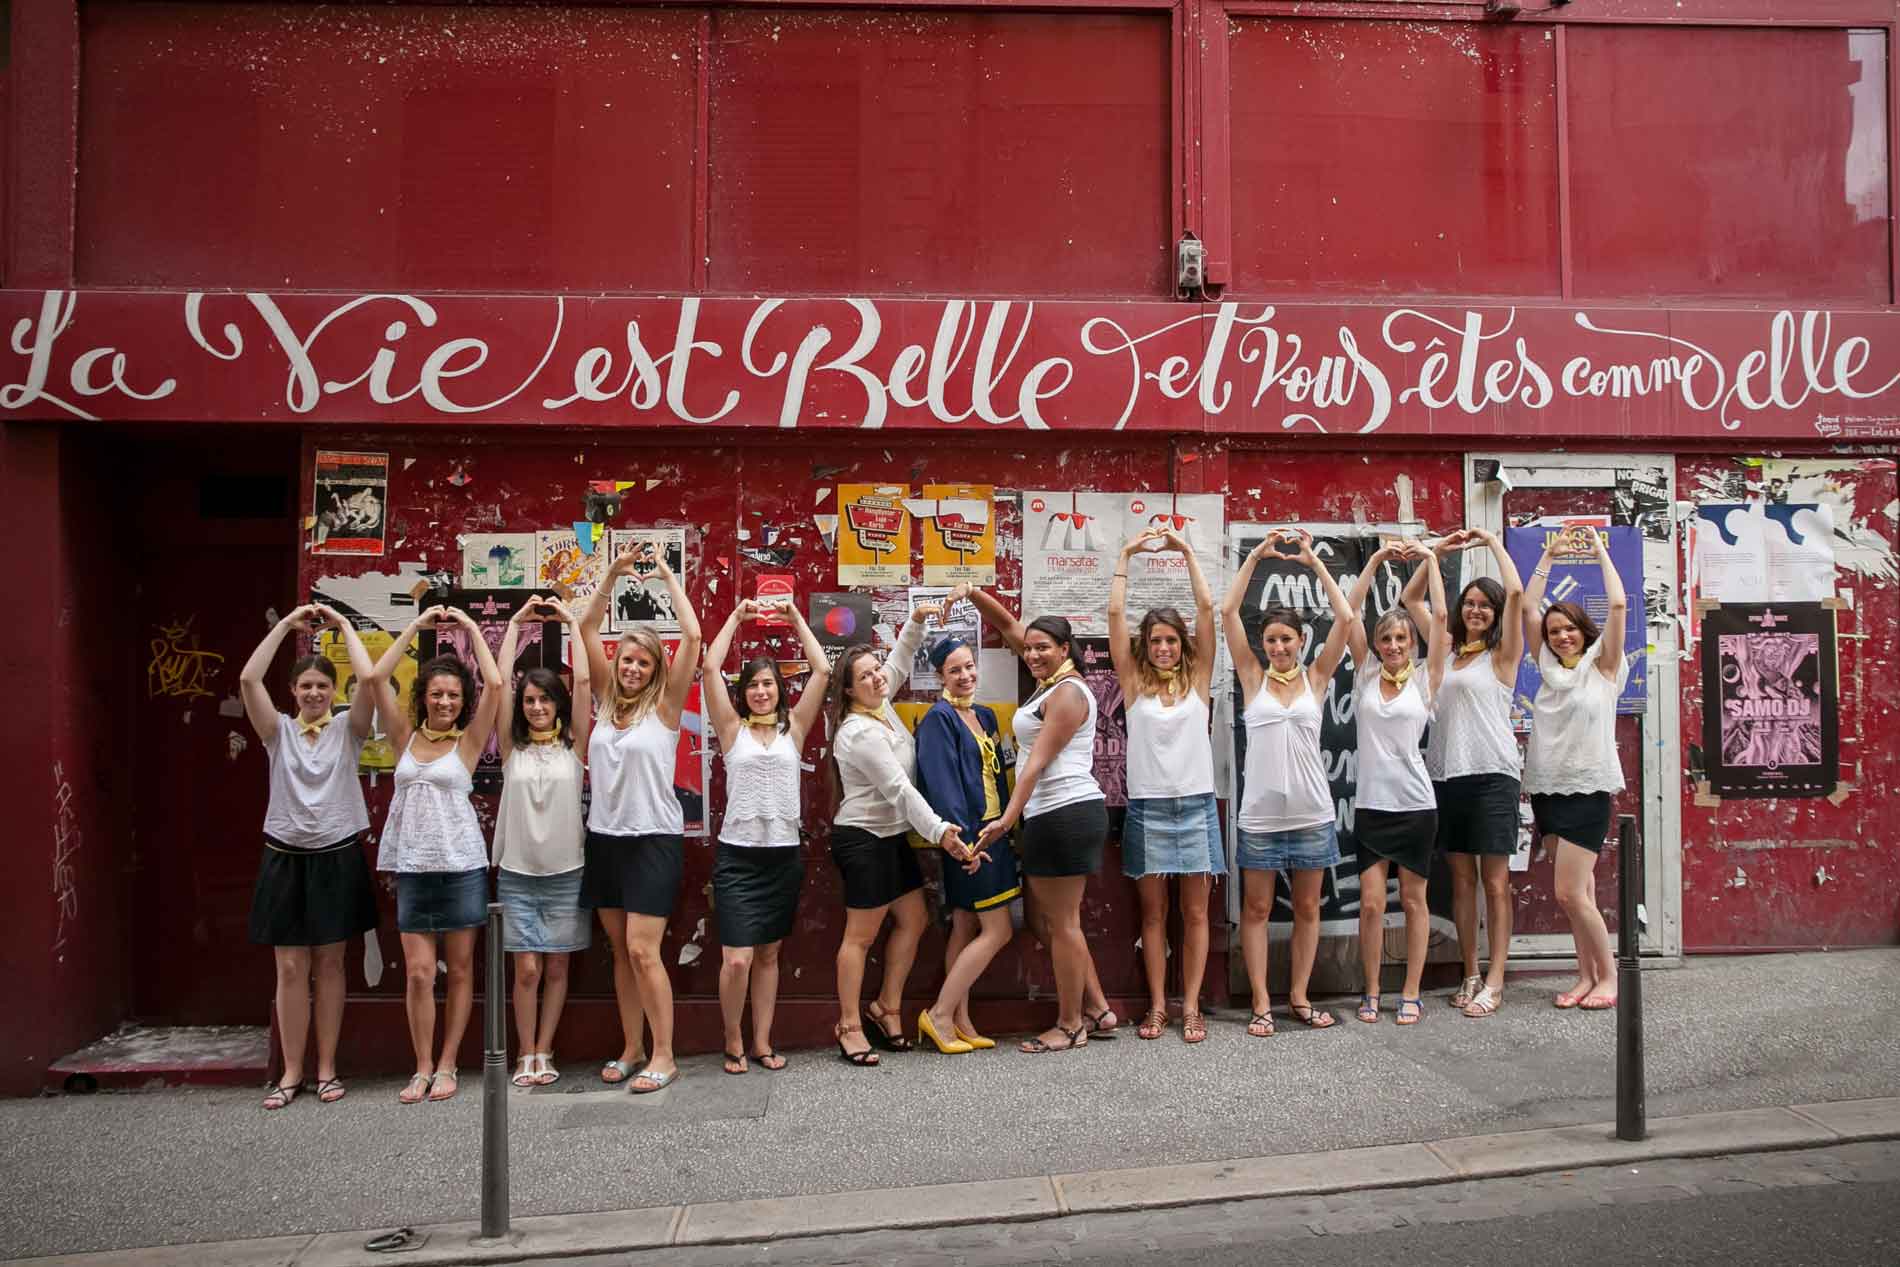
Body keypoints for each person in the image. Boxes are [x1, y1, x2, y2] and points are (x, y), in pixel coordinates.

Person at [238, 603, 381, 1109]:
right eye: (306, 687)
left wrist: (344, 626)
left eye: (323, 686)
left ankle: (327, 1068)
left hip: (337, 854)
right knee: (291, 969)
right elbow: (248, 679)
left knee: (332, 964)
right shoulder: (277, 733)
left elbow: (369, 682)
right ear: (294, 693)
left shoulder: (348, 730)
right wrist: (283, 626)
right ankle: (291, 1071)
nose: (315, 693)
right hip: (285, 856)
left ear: (333, 692)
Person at [577, 540, 703, 1093]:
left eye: (642, 662)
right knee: (620, 955)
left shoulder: (666, 709)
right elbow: (585, 631)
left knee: (641, 949)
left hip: (653, 840)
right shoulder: (605, 700)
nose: (630, 668)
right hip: (604, 839)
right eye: (626, 659)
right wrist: (613, 575)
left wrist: (668, 578)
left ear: (655, 669)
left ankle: (665, 1054)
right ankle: (630, 1048)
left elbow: (694, 638)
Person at [368, 605, 505, 1103]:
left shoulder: (466, 744)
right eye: (436, 693)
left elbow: (494, 686)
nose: (445, 701)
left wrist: (469, 627)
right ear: (423, 697)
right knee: (421, 973)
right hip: (413, 869)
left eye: (452, 694)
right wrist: (417, 628)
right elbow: (377, 677)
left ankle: (448, 1063)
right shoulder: (405, 738)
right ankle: (421, 1065)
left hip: (462, 866)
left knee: (462, 970)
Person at [1221, 529, 1355, 1037]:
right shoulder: (1252, 677)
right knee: (1256, 910)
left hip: (1311, 814)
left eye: (1287, 639)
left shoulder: (1316, 678)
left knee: (1305, 909)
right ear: (1264, 643)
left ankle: (1298, 996)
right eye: (1271, 639)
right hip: (1259, 818)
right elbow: (1230, 612)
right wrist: (1257, 554)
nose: (1278, 646)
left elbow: (1345, 618)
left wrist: (1312, 562)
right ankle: (1260, 1001)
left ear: (1301, 642)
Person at [824, 603, 970, 1065]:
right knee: (860, 937)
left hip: (891, 838)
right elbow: (899, 790)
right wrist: (942, 831)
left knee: (914, 920)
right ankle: (848, 1024)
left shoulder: (880, 705)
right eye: (864, 676)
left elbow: (902, 658)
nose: (876, 679)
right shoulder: (857, 732)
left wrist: (920, 618)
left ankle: (886, 1006)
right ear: (848, 691)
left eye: (875, 671)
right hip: (863, 839)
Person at [969, 595, 1114, 1055]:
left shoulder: (1068, 693)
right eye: (1028, 648)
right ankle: (1098, 1008)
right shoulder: (1049, 683)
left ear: (1066, 648)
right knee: (1050, 921)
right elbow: (1011, 625)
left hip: (1064, 811)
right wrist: (971, 591)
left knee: (1063, 924)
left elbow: (1035, 765)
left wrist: (1006, 821)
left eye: (1043, 648)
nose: (1032, 654)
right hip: (1049, 814)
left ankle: (1070, 1024)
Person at [701, 595, 831, 1074]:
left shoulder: (793, 730)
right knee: (737, 959)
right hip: (738, 858)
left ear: (780, 690)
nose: (761, 692)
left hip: (782, 857)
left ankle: (761, 1040)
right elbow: (710, 669)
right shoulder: (731, 728)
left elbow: (820, 672)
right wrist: (736, 617)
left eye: (769, 684)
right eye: (753, 685)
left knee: (769, 954)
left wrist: (794, 616)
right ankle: (733, 1039)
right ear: (744, 693)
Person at [1401, 528, 1525, 1019]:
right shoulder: (1446, 650)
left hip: (1493, 775)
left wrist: (1491, 543)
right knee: (1460, 881)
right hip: (1446, 776)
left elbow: (1515, 592)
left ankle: (1496, 978)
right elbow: (1410, 597)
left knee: (1495, 882)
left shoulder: (1503, 655)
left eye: (1483, 605)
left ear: (1494, 615)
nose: (1475, 610)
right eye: (1468, 603)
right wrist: (1436, 553)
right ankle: (1470, 972)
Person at [1108, 529, 1219, 1045]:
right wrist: (1127, 556)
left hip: (1196, 803)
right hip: (1148, 808)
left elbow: (1206, 608)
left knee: (1195, 912)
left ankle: (1191, 1006)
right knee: (1153, 915)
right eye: (1155, 640)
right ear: (1144, 646)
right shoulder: (1134, 687)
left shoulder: (1199, 682)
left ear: (1183, 644)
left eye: (1172, 639)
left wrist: (1187, 553)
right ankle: (1157, 1007)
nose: (1164, 647)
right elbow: (1114, 619)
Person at [1523, 525, 1629, 1011]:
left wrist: (1600, 552)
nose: (1561, 636)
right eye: (1553, 631)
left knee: (1570, 893)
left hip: (1588, 789)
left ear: (1583, 632)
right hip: (1548, 788)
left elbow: (1620, 607)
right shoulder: (1547, 671)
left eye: (1568, 629)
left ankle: (1610, 977)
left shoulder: (1603, 668)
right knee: (1577, 892)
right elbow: (1528, 608)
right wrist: (1549, 555)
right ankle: (1585, 976)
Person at [912, 587, 1022, 1054]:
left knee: (963, 925)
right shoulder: (938, 719)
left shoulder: (984, 715)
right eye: (954, 670)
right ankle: (937, 1014)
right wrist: (963, 844)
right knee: (999, 929)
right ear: (939, 675)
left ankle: (960, 1019)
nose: (965, 675)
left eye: (969, 666)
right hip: (972, 842)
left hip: (996, 833)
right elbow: (942, 788)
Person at [1346, 540, 1448, 1028]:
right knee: (1369, 904)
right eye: (1385, 639)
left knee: (1413, 901)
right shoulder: (1365, 674)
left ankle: (1410, 991)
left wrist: (1431, 560)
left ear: (1413, 644)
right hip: (1371, 805)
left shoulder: (1428, 679)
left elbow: (1442, 621)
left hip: (1415, 805)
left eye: (1401, 639)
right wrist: (1374, 561)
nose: (1391, 646)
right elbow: (1350, 613)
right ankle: (1370, 989)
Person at [492, 596, 592, 1088]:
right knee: (526, 970)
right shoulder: (512, 749)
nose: (535, 707)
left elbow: (589, 683)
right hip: (517, 873)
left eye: (544, 699)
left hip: (566, 872)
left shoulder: (575, 748)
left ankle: (544, 1050)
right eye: (529, 700)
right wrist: (515, 624)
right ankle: (523, 1049)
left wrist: (571, 622)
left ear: (558, 704)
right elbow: (495, 683)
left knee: (555, 968)